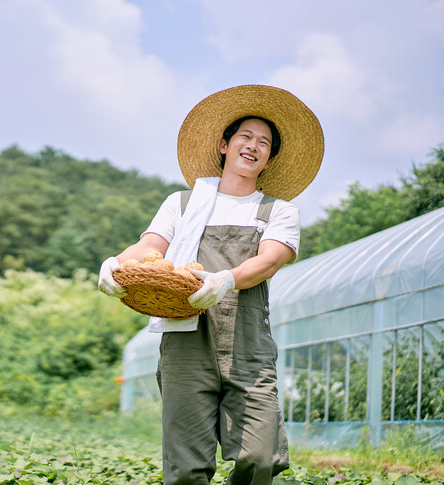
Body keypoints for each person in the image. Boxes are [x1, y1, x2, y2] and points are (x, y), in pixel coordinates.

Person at [97, 85, 324, 485]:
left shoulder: (278, 211)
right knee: (186, 467)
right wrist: (115, 263)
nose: (253, 146)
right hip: (187, 342)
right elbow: (150, 246)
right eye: (245, 137)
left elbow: (270, 259)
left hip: (247, 343)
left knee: (260, 457)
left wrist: (226, 279)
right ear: (224, 145)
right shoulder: (182, 204)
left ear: (269, 159)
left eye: (264, 143)